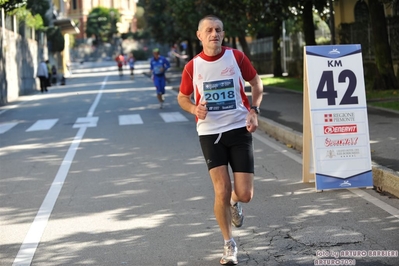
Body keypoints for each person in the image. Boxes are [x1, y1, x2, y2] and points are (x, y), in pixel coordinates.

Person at [177, 15, 263, 265]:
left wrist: (254, 110)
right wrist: (194, 110)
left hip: (239, 128)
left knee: (245, 193)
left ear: (223, 34)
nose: (214, 34)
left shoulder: (236, 57)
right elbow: (182, 98)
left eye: (218, 30)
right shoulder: (192, 66)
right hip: (210, 132)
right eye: (209, 30)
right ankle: (229, 244)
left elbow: (256, 83)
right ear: (199, 35)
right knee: (221, 190)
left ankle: (237, 203)